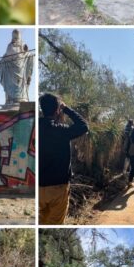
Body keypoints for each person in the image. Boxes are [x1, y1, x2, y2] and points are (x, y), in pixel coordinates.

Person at [39, 93, 89, 225]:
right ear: (57, 110)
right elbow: (84, 126)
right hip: (58, 187)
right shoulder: (61, 130)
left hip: (37, 188)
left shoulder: (35, 128)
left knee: (40, 222)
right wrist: (66, 109)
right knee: (54, 223)